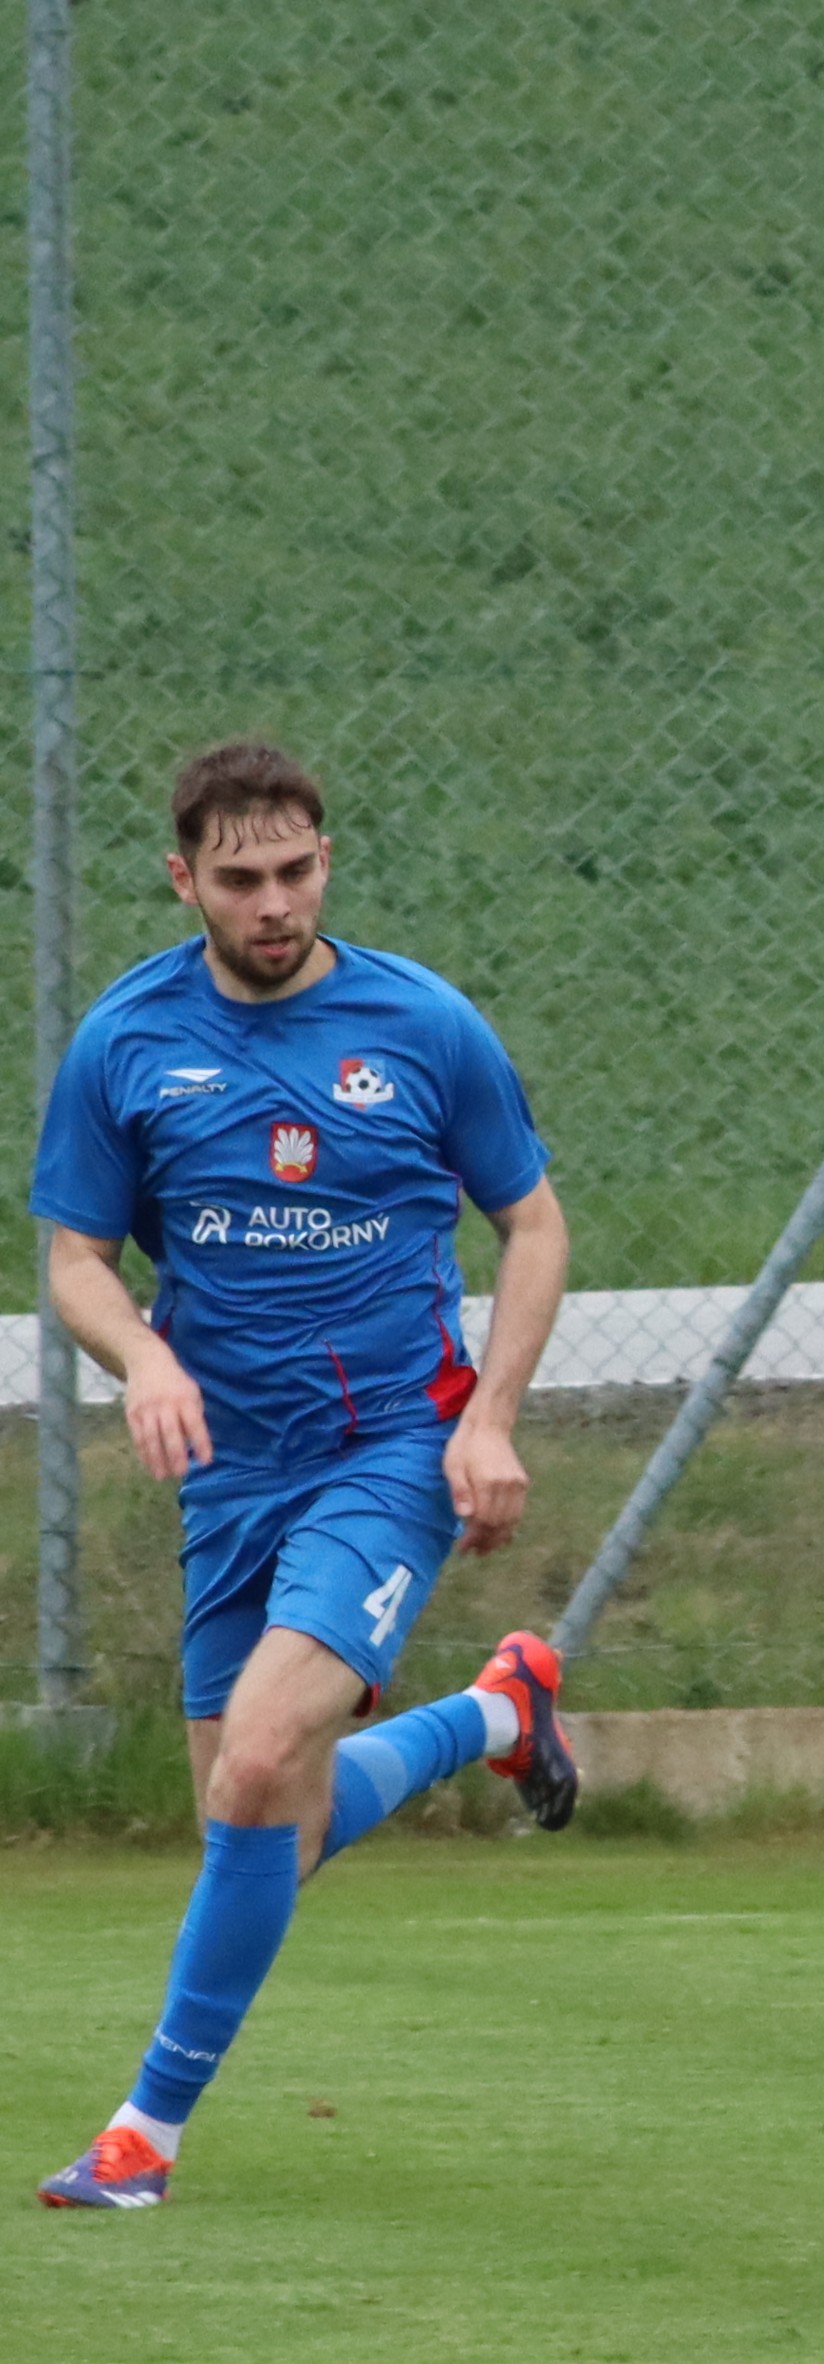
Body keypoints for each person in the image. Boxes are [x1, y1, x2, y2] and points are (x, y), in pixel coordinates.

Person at [29, 740, 578, 2211]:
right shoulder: (127, 1041)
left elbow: (532, 1223)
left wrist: (490, 1420)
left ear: (326, 860)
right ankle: (496, 1712)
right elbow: (75, 1259)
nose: (272, 903)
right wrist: (144, 1357)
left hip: (390, 1444)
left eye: (294, 871)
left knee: (265, 1758)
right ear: (184, 880)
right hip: (231, 1468)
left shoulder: (423, 1024)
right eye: (239, 879)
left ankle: (143, 2135)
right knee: (272, 1819)